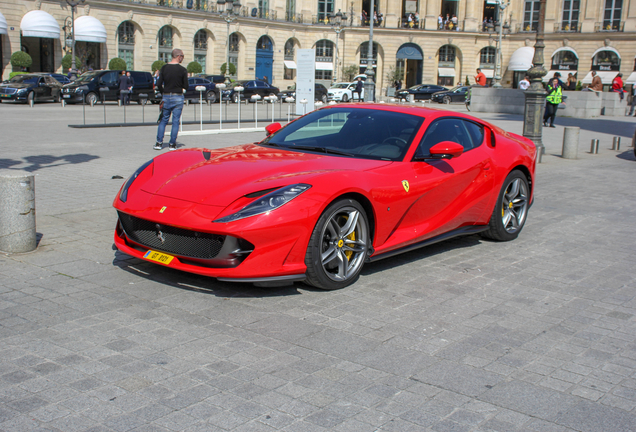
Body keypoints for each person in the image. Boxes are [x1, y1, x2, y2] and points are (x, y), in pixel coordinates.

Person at [155, 48, 188, 151]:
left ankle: (159, 143)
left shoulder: (164, 68)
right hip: (178, 96)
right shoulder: (182, 70)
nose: (182, 58)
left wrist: (163, 92)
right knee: (175, 121)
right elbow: (186, 86)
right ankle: (172, 144)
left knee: (163, 120)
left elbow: (159, 84)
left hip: (166, 96)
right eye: (182, 56)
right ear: (179, 57)